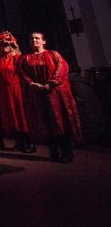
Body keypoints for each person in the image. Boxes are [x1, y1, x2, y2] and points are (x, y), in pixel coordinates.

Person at [18, 32, 82, 162]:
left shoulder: (53, 54)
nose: (34, 40)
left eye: (37, 38)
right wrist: (31, 83)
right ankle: (53, 152)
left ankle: (67, 152)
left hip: (54, 93)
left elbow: (62, 68)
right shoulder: (25, 58)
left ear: (44, 41)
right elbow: (21, 72)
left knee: (59, 121)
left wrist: (51, 83)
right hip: (37, 94)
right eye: (31, 38)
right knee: (45, 122)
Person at [0, 31, 33, 152]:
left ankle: (29, 143)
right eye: (1, 45)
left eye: (6, 44)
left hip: (17, 90)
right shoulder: (0, 60)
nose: (4, 47)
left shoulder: (18, 58)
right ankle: (18, 142)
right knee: (10, 116)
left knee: (21, 114)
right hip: (4, 92)